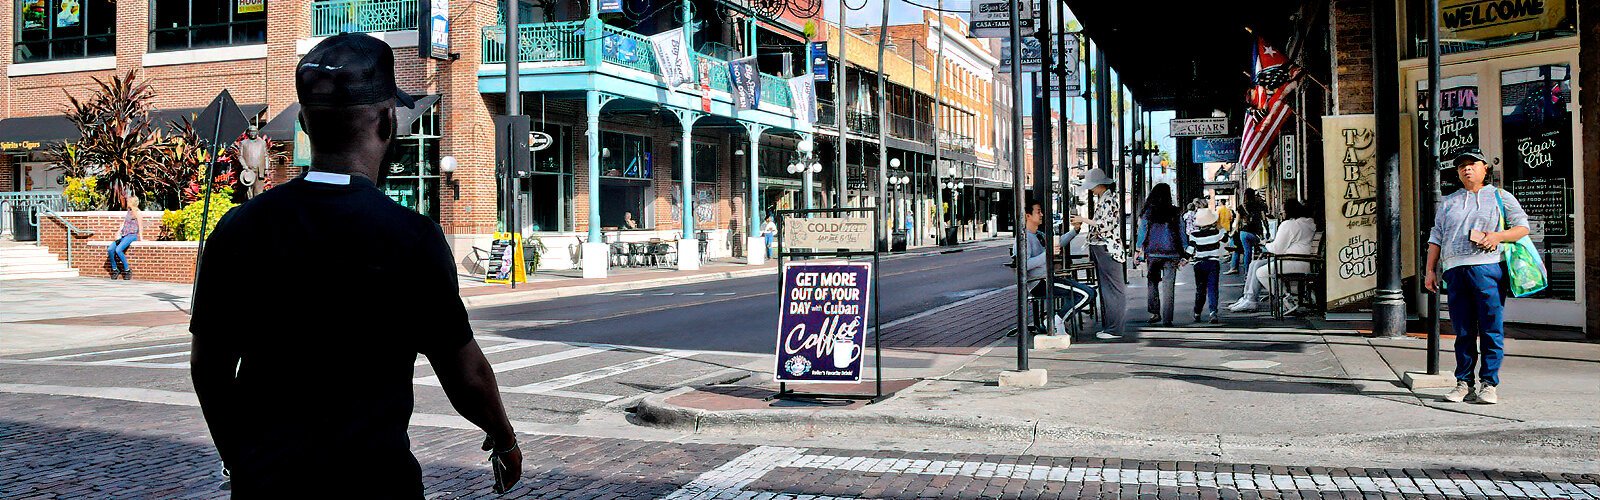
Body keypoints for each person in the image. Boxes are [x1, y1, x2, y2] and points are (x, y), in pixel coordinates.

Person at [190, 33, 522, 498]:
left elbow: (209, 368)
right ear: (387, 121)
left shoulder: (238, 228)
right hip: (376, 484)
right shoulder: (411, 238)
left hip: (266, 485)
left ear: (304, 123)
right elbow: (464, 372)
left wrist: (239, 457)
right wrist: (504, 440)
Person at [1425, 150, 1528, 405]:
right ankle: (1464, 383)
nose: (1466, 169)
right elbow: (1436, 237)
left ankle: (1489, 384)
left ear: (1484, 169)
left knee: (1491, 328)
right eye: (1461, 166)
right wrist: (1430, 269)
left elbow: (1522, 227)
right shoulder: (1448, 202)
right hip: (1455, 271)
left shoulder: (1500, 197)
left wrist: (1497, 236)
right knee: (1463, 331)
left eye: (1471, 164)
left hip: (1488, 268)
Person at [1021, 200, 1095, 336]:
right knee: (1086, 294)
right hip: (1039, 283)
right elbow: (1024, 265)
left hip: (1049, 278)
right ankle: (1057, 320)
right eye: (1038, 212)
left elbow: (1058, 242)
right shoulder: (1024, 238)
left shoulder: (1039, 235)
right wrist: (1047, 254)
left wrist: (1075, 230)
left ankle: (1057, 320)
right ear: (1028, 216)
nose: (1042, 214)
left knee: (1089, 292)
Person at [1228, 200, 1317, 313]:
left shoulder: (1290, 225)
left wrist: (1265, 244)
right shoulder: (1308, 224)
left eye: (1283, 210)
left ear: (1289, 211)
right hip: (1302, 261)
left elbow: (1277, 249)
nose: (1281, 213)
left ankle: (1285, 298)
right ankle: (1248, 297)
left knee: (1261, 272)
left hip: (1293, 261)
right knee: (1255, 264)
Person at [1069, 169, 1126, 340]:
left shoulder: (1109, 200)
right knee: (1109, 289)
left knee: (1112, 290)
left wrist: (1083, 220)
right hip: (1104, 248)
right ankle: (1111, 327)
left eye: (1092, 186)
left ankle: (1114, 329)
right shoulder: (1105, 199)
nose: (1091, 189)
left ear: (1099, 185)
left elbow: (1105, 225)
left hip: (1107, 248)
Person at [1135, 184, 1186, 327]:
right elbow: (1182, 232)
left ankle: (1155, 312)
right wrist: (1186, 250)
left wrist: (1138, 250)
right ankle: (1167, 319)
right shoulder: (1175, 212)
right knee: (1169, 286)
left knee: (1152, 282)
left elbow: (1142, 232)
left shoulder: (1148, 212)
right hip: (1172, 252)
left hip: (1153, 253)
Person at [1185, 208, 1226, 324]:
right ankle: (1213, 313)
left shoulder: (1194, 235)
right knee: (1213, 288)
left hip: (1199, 265)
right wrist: (1219, 226)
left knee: (1200, 289)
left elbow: (1190, 249)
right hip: (1213, 264)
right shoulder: (1218, 232)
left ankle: (1197, 312)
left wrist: (1184, 259)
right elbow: (1226, 239)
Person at [1226, 189, 1267, 275]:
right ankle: (1261, 268)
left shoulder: (1241, 207)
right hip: (1256, 234)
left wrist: (1233, 233)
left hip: (1244, 233)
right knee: (1262, 247)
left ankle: (1247, 273)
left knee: (1247, 252)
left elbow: (1237, 224)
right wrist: (1266, 230)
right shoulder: (1259, 205)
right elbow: (1264, 219)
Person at [107, 191, 140, 280]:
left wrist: (142, 238)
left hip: (131, 235)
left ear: (132, 203)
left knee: (118, 250)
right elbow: (124, 223)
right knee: (110, 249)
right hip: (124, 235)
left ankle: (127, 270)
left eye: (129, 201)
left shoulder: (137, 212)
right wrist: (118, 232)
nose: (127, 202)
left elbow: (140, 225)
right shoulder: (128, 212)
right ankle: (115, 269)